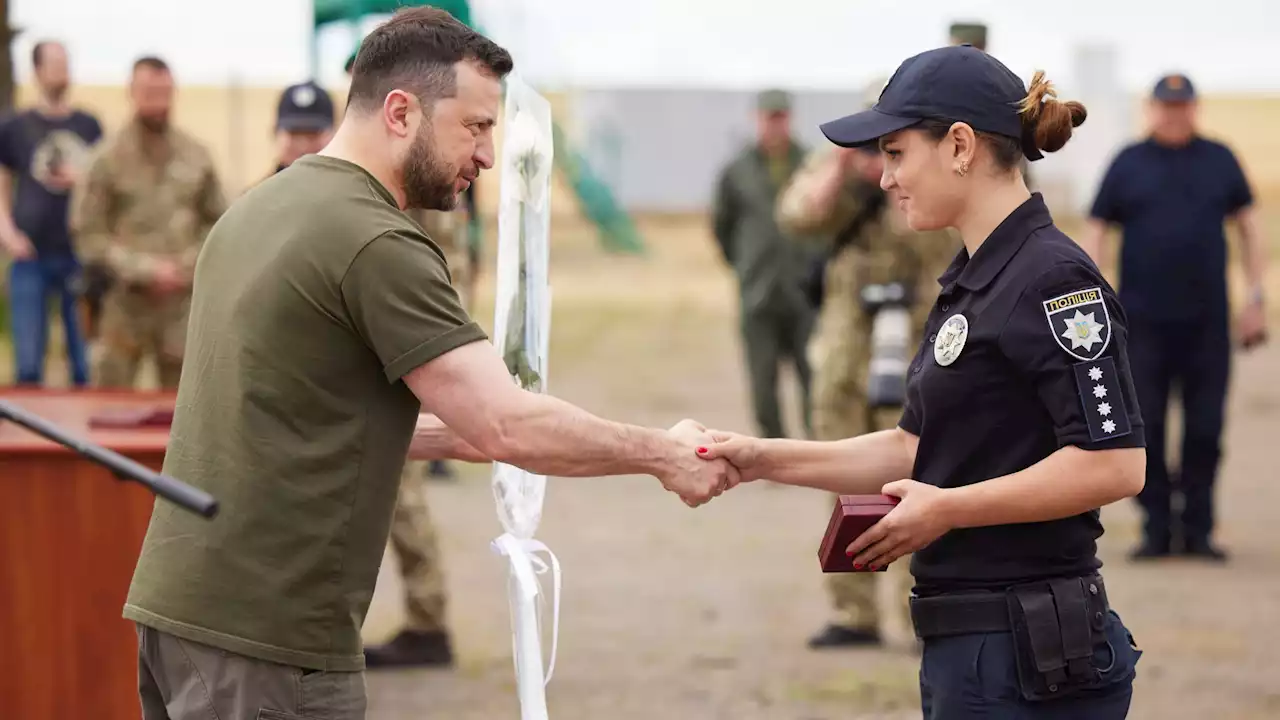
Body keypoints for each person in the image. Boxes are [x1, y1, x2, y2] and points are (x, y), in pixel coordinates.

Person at [123, 9, 736, 719]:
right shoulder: (376, 239)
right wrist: (662, 454)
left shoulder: (255, 210)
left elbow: (313, 415)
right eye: (474, 127)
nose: (485, 155)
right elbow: (507, 421)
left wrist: (473, 437)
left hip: (180, 616)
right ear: (400, 111)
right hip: (269, 643)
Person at [698, 45, 1146, 718]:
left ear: (960, 145)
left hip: (1030, 656)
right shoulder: (976, 277)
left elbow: (1114, 465)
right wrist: (764, 458)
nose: (883, 178)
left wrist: (947, 508)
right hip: (973, 645)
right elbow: (915, 446)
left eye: (897, 152)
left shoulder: (1052, 280)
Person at [777, 82, 960, 651]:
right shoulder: (843, 165)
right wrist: (841, 165)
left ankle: (919, 613)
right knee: (842, 478)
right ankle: (853, 612)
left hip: (916, 340)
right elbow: (797, 215)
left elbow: (944, 239)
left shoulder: (937, 173)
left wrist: (899, 182)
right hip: (847, 347)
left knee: (922, 479)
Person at [1081, 74, 1268, 562]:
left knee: (1205, 428)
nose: (1174, 113)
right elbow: (1096, 228)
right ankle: (1157, 527)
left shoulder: (1219, 159)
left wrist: (1255, 297)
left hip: (1208, 323)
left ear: (1194, 108)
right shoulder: (1129, 162)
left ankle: (1199, 529)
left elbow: (1249, 226)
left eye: (1182, 105)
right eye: (1166, 105)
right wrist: (1094, 296)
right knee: (1149, 427)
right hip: (1141, 324)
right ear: (1152, 108)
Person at [70, 56, 226, 390]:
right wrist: (144, 270)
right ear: (131, 92)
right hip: (123, 304)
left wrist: (185, 266)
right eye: (149, 91)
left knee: (184, 407)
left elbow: (219, 224)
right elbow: (87, 232)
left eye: (164, 91)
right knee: (110, 405)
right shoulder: (106, 159)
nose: (158, 100)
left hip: (182, 306)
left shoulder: (196, 155)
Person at [712, 88, 815, 440]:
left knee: (814, 373)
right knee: (762, 377)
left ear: (790, 119)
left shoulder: (810, 164)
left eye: (781, 117)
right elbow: (722, 227)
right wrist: (744, 264)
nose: (775, 125)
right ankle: (772, 446)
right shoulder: (737, 171)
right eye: (769, 118)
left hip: (805, 291)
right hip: (758, 291)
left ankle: (817, 447)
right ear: (757, 119)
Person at [0, 40, 101, 387]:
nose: (62, 71)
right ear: (37, 71)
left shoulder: (90, 126)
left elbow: (106, 186)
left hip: (79, 254)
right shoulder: (15, 127)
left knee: (85, 367)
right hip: (30, 254)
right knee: (28, 366)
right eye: (54, 64)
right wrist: (8, 233)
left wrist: (81, 179)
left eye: (66, 63)